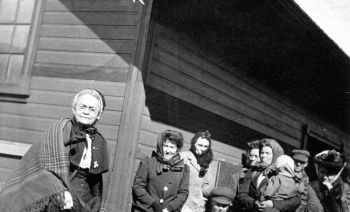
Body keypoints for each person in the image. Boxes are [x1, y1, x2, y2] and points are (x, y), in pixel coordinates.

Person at [0, 89, 109, 211]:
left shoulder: (99, 140)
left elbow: (95, 180)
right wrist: (61, 192)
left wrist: (94, 204)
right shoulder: (60, 131)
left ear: (98, 115)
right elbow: (47, 167)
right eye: (82, 107)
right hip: (57, 192)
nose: (86, 112)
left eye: (92, 109)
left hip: (83, 198)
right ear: (74, 109)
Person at [236, 138, 300, 212]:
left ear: (276, 155)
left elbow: (296, 201)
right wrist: (253, 203)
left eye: (267, 153)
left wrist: (273, 204)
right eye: (262, 152)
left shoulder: (283, 173)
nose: (263, 156)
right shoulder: (253, 171)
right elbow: (242, 194)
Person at [132, 130, 190, 212]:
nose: (168, 150)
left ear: (177, 149)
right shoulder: (148, 162)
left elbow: (183, 193)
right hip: (146, 209)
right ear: (160, 146)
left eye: (172, 147)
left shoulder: (184, 169)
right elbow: (138, 187)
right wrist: (153, 203)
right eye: (165, 146)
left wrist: (170, 208)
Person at [180, 130, 214, 212]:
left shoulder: (207, 162)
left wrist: (203, 200)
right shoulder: (183, 157)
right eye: (200, 145)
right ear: (193, 144)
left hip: (199, 207)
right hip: (184, 205)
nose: (202, 149)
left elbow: (205, 186)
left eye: (206, 146)